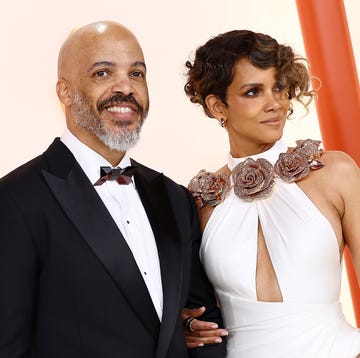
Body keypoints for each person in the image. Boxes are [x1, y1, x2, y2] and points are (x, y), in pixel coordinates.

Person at [0, 21, 227, 358]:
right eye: (102, 73)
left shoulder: (175, 197)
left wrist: (192, 328)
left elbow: (204, 322)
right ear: (64, 91)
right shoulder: (16, 199)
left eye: (137, 74)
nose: (126, 87)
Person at [182, 29, 360, 357]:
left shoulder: (336, 173)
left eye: (278, 87)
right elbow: (191, 309)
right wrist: (188, 327)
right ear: (217, 105)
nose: (274, 103)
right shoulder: (200, 201)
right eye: (253, 92)